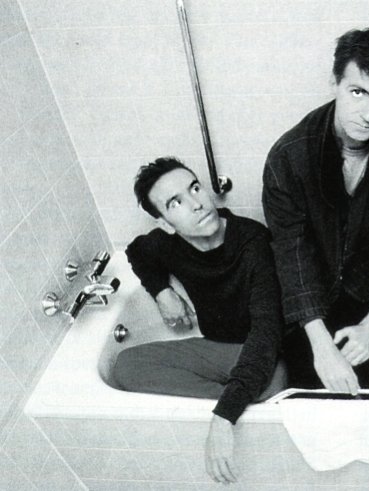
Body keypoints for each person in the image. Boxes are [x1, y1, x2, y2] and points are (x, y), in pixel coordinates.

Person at [262, 26, 369, 398]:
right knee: (313, 399)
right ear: (335, 82)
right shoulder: (289, 156)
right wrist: (321, 346)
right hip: (313, 302)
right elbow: (291, 253)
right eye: (358, 92)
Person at [113, 157, 286, 485]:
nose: (196, 204)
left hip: (263, 353)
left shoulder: (253, 242)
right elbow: (137, 252)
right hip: (217, 348)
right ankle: (238, 397)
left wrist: (223, 417)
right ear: (165, 223)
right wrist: (162, 292)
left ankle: (235, 400)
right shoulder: (168, 242)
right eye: (175, 202)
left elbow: (267, 331)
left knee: (274, 385)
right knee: (125, 366)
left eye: (194, 188)